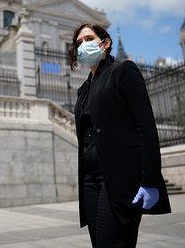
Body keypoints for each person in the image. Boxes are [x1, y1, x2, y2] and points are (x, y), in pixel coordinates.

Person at [69, 22, 171, 247]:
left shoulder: (123, 70)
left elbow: (145, 127)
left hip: (118, 176)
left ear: (105, 43)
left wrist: (150, 179)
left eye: (89, 39)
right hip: (90, 179)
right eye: (78, 43)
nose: (83, 45)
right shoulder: (83, 89)